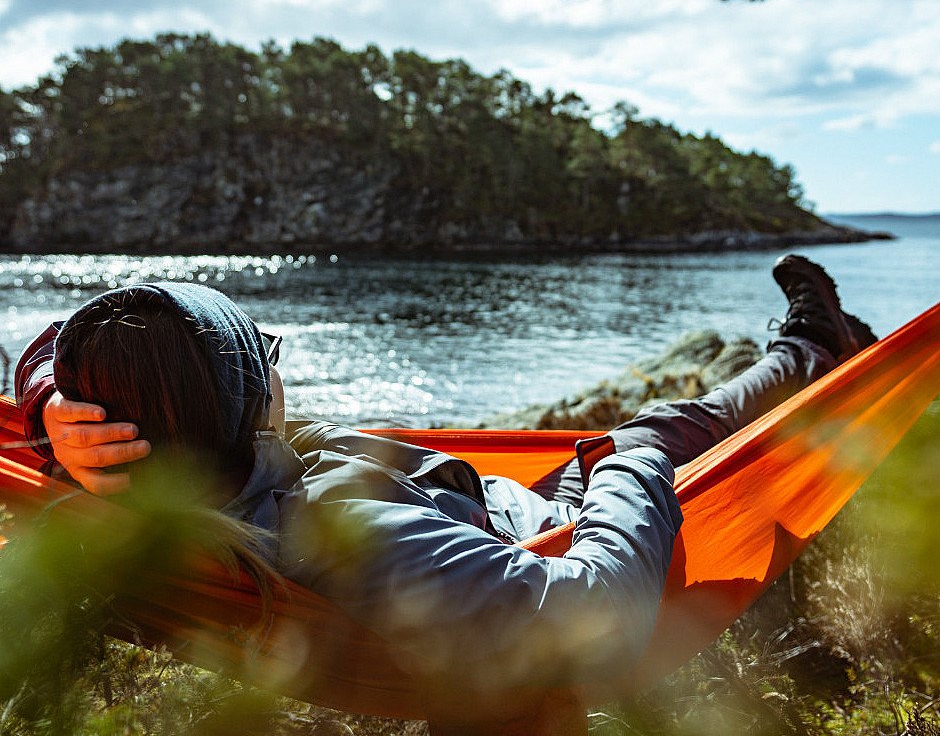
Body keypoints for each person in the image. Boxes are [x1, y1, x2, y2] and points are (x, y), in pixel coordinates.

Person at [13, 255, 876, 693]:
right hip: (535, 535)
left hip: (478, 516)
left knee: (661, 425)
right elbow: (588, 614)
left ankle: (805, 348)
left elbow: (58, 346)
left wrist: (51, 396)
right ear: (246, 402)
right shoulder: (345, 529)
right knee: (654, 433)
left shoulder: (138, 463)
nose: (280, 366)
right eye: (264, 353)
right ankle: (808, 349)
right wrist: (626, 466)